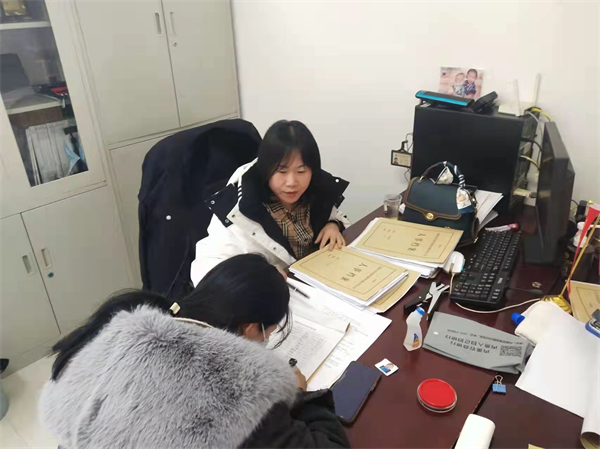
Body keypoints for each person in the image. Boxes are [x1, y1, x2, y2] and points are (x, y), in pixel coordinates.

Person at [39, 254, 350, 449]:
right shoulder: (241, 389)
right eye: (268, 332)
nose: (266, 341)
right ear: (250, 328)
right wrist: (300, 396)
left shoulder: (127, 326)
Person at [191, 120, 351, 285]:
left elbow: (335, 214)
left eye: (301, 171)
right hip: (269, 293)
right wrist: (259, 274)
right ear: (265, 169)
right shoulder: (237, 210)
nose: (292, 182)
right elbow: (206, 271)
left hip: (313, 281)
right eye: (281, 171)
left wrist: (333, 224)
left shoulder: (315, 190)